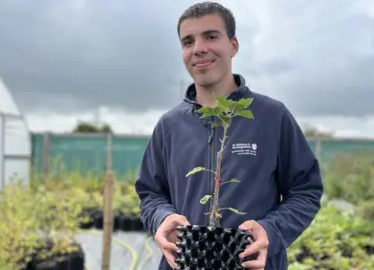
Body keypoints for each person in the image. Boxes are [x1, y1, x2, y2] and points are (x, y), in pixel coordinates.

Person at [134, 2, 323, 269]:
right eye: (188, 41)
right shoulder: (170, 125)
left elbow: (305, 190)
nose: (198, 48)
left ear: (233, 45)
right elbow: (150, 192)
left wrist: (271, 230)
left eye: (211, 36)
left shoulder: (271, 116)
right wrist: (162, 218)